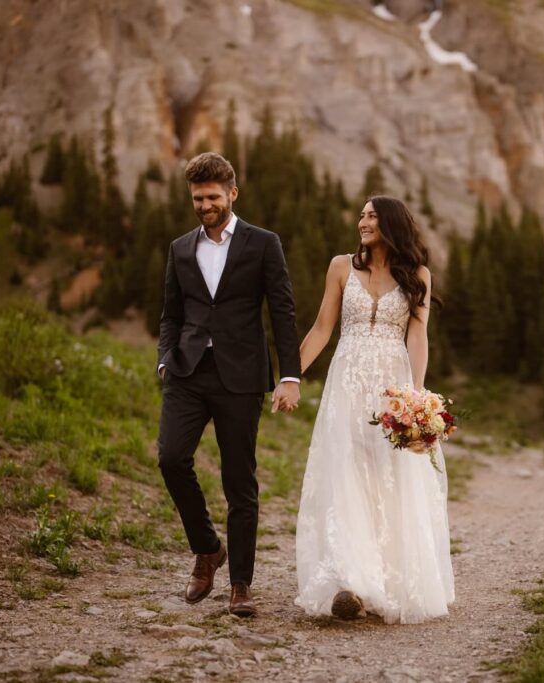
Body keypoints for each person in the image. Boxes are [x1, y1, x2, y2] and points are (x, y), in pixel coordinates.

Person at [294, 196, 455, 624]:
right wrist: (290, 375)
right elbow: (322, 328)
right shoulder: (340, 267)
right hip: (346, 385)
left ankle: (388, 581)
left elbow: (418, 337)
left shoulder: (417, 275)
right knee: (346, 475)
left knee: (389, 480)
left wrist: (417, 397)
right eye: (361, 214)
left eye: (371, 215)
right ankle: (350, 582)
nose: (362, 221)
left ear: (391, 224)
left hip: (392, 388)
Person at [155, 153, 301, 617]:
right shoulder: (180, 248)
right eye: (198, 198)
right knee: (171, 458)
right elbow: (171, 314)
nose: (205, 205)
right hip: (188, 371)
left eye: (213, 197)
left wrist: (290, 375)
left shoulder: (263, 244)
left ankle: (241, 584)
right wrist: (165, 360)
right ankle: (207, 549)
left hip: (241, 376)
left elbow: (282, 311)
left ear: (232, 194)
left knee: (239, 482)